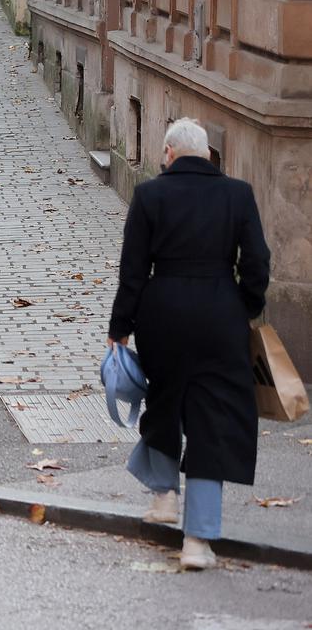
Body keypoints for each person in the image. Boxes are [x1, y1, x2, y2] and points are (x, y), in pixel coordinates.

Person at [108, 117, 270, 570]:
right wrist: (244, 308)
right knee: (212, 420)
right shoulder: (238, 194)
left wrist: (120, 326)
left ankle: (164, 499)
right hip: (221, 315)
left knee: (164, 401)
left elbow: (133, 270)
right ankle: (197, 542)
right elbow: (257, 262)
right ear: (207, 154)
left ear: (169, 153)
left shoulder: (150, 195)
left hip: (163, 315)